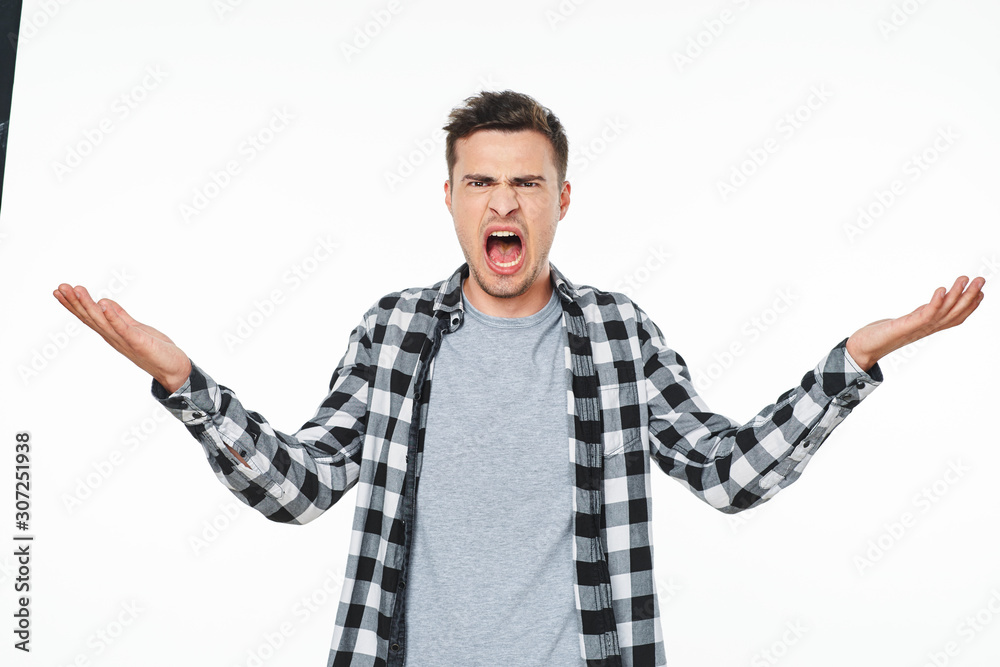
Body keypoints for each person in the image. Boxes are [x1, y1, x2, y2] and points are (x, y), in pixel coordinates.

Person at [53, 90, 985, 667]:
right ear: (451, 197)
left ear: (562, 199)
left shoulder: (617, 332)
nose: (504, 202)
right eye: (482, 183)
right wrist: (185, 384)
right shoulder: (394, 331)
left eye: (528, 184)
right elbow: (302, 487)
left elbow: (729, 472)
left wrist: (855, 360)